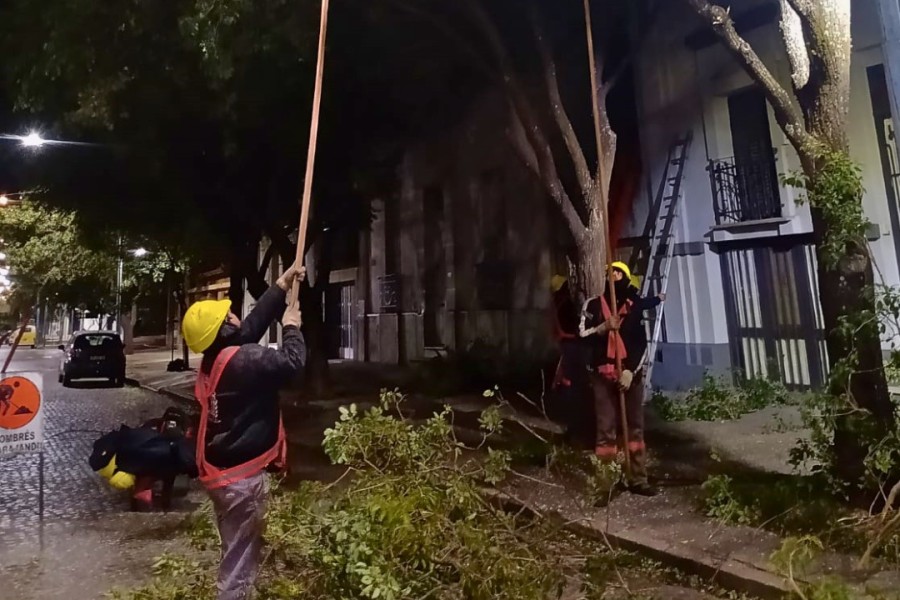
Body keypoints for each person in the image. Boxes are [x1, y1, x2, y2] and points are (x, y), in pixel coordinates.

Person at [181, 265, 307, 600]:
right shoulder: (245, 361)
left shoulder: (219, 358)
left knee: (240, 552)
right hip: (241, 484)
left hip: (224, 478)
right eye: (231, 315)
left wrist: (280, 286)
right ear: (223, 330)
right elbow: (293, 364)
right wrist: (292, 327)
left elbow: (249, 329)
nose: (237, 316)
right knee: (238, 567)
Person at [579, 261, 664, 497]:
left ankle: (637, 478)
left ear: (625, 276)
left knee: (634, 430)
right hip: (602, 376)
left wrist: (630, 371)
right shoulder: (593, 305)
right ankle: (605, 484)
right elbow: (582, 334)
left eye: (618, 272)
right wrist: (603, 327)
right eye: (609, 272)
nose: (613, 275)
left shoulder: (634, 305)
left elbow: (641, 343)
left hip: (630, 376)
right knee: (605, 430)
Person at [550, 275, 592, 446]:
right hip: (573, 347)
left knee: (571, 391)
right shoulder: (566, 305)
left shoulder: (560, 303)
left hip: (569, 347)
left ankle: (573, 430)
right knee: (575, 390)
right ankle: (577, 432)